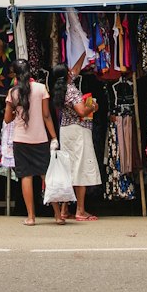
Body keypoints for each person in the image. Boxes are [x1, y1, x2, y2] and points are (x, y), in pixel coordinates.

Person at [4, 60, 59, 225]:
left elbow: (7, 120)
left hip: (20, 140)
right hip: (40, 139)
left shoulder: (13, 92)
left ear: (15, 74)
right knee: (46, 177)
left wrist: (14, 110)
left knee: (26, 177)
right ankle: (57, 215)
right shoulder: (41, 88)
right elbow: (47, 115)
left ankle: (31, 217)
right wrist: (54, 137)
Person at [51, 57, 101, 222]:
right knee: (80, 169)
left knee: (70, 169)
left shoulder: (60, 88)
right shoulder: (71, 90)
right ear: (67, 75)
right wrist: (92, 106)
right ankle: (80, 210)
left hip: (66, 131)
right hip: (78, 131)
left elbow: (75, 70)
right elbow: (81, 111)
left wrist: (83, 54)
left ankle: (65, 209)